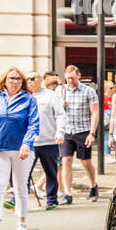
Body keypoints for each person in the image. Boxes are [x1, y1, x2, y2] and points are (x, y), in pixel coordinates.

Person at [0, 67, 39, 230]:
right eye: (12, 78)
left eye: (19, 79)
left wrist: (27, 144)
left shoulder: (29, 100)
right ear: (5, 80)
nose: (15, 82)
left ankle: (21, 221)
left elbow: (34, 124)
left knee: (20, 187)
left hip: (22, 150)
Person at [59, 64, 100, 204]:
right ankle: (67, 194)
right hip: (66, 131)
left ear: (79, 76)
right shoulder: (61, 91)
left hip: (83, 130)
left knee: (85, 162)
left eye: (73, 78)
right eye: (68, 78)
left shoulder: (88, 91)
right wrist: (60, 106)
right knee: (66, 161)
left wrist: (92, 133)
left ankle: (93, 186)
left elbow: (95, 112)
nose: (70, 81)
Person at [27, 70, 66, 210]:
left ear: (40, 80)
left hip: (49, 141)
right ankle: (18, 199)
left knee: (51, 172)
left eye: (33, 78)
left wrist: (60, 132)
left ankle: (52, 199)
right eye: (28, 79)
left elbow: (60, 115)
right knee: (24, 172)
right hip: (29, 142)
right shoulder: (24, 96)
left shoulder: (50, 96)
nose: (30, 81)